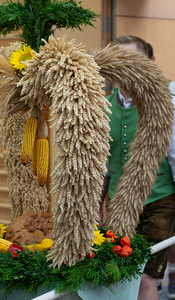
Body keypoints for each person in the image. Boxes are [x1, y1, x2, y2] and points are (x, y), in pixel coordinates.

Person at [100, 35, 175, 300]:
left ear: (150, 63)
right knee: (115, 273)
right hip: (119, 206)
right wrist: (98, 207)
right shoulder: (103, 106)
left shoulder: (170, 96)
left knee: (144, 276)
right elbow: (103, 166)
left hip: (160, 202)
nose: (127, 69)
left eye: (134, 61)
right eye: (120, 62)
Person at [147, 41, 175, 299]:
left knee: (146, 277)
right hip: (125, 202)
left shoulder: (170, 95)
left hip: (163, 196)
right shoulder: (112, 103)